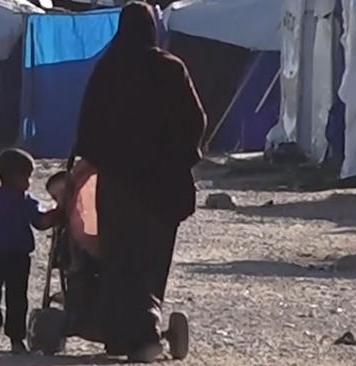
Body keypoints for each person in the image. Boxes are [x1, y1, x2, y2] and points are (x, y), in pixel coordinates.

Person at [73, 2, 207, 363]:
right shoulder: (170, 68)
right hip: (163, 187)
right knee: (152, 259)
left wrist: (93, 160)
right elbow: (195, 120)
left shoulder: (108, 69)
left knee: (120, 259)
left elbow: (89, 124)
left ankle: (122, 335)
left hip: (119, 185)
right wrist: (182, 157)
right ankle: (146, 332)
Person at [0, 148, 60, 354]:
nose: (29, 182)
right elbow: (41, 222)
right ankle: (16, 340)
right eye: (27, 177)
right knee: (17, 297)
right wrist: (58, 212)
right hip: (17, 256)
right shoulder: (25, 201)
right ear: (15, 177)